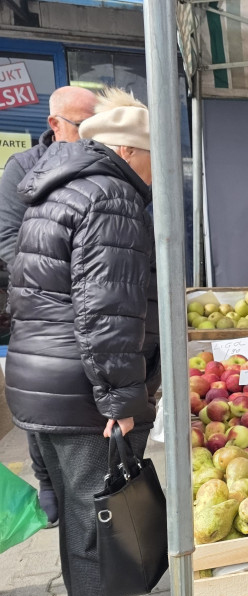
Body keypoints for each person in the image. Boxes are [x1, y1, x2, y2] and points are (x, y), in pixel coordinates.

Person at [6, 88, 168, 596]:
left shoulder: (56, 190)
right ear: (130, 151)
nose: (157, 173)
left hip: (38, 380)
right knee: (102, 509)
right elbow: (108, 311)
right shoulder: (112, 198)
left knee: (80, 510)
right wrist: (122, 399)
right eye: (154, 157)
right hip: (79, 389)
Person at [0, 86, 98, 527]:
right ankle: (45, 478)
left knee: (72, 402)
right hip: (39, 308)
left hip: (84, 309)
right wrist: (55, 284)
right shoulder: (21, 170)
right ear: (55, 124)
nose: (91, 135)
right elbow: (6, 240)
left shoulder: (96, 166)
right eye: (83, 126)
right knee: (41, 402)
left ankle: (73, 487)